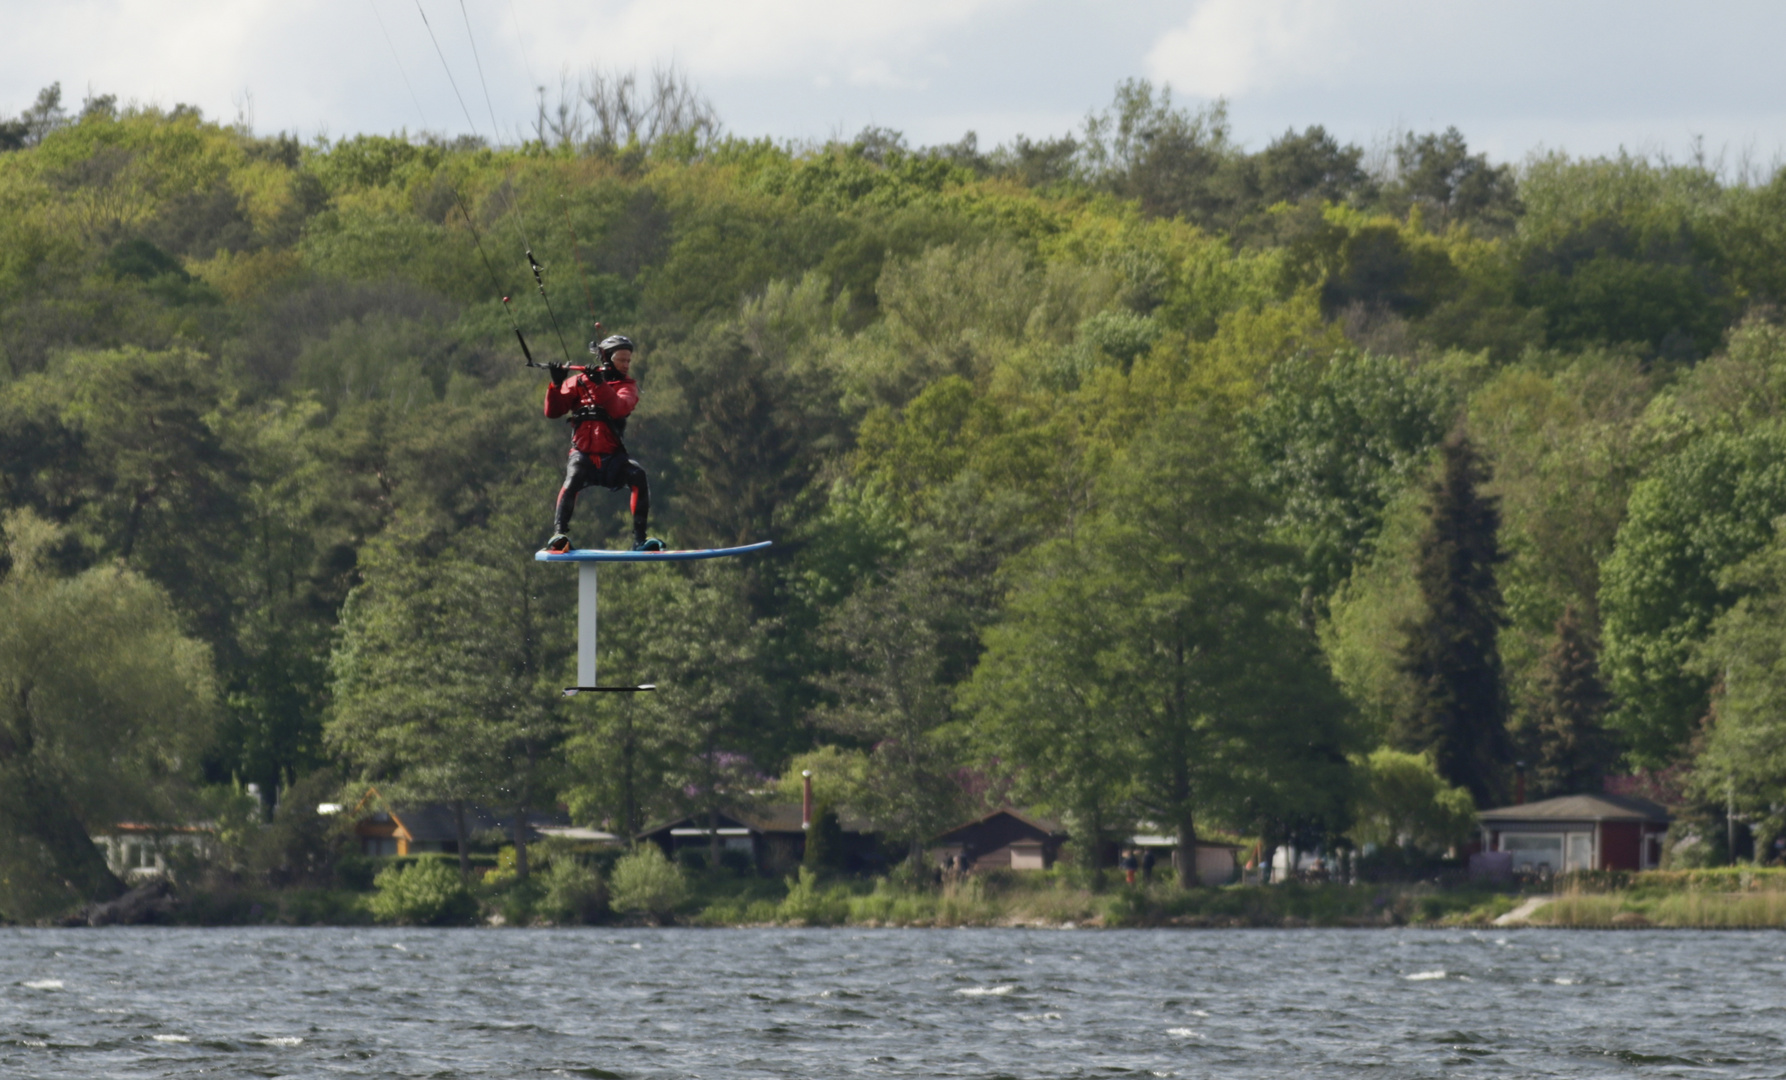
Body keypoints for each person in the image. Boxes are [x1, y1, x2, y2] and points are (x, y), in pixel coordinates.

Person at [542, 334, 662, 553]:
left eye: (629, 361)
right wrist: (556, 384)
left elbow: (619, 408)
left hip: (613, 458)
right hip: (583, 455)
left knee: (638, 475)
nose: (626, 365)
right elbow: (553, 411)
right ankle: (559, 535)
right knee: (574, 477)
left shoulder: (628, 386)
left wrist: (600, 385)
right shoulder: (578, 382)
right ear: (607, 359)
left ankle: (640, 541)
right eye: (621, 360)